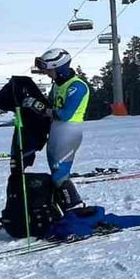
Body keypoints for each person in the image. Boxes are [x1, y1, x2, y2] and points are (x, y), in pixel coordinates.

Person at [29, 48, 89, 209]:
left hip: (69, 132)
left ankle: (75, 209)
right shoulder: (58, 85)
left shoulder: (77, 86)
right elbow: (50, 105)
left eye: (50, 70)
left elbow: (65, 114)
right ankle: (61, 209)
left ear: (59, 67)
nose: (47, 73)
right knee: (55, 174)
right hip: (57, 132)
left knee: (59, 175)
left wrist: (41, 108)